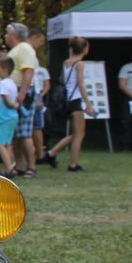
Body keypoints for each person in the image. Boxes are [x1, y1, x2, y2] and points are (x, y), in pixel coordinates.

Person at [46, 36, 96, 171]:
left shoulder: (66, 62)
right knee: (79, 135)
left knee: (75, 133)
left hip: (66, 100)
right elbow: (81, 84)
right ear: (84, 49)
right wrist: (88, 104)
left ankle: (51, 153)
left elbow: (62, 79)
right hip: (75, 100)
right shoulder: (79, 64)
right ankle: (73, 164)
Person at [4, 22, 39, 176]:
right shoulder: (16, 50)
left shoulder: (24, 48)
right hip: (16, 92)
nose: (5, 36)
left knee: (24, 133)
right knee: (17, 134)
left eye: (8, 33)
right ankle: (20, 166)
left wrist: (22, 93)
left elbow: (28, 71)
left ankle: (31, 167)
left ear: (15, 35)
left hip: (22, 93)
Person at [0, 57, 19, 177]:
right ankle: (10, 166)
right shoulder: (12, 83)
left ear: (5, 69)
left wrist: (13, 105)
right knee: (8, 144)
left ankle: (9, 169)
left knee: (0, 144)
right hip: (12, 117)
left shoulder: (2, 84)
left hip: (3, 118)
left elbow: (7, 101)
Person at [30, 28, 51, 163]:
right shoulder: (30, 54)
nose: (41, 44)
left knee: (36, 126)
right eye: (41, 40)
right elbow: (32, 77)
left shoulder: (31, 54)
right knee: (37, 126)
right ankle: (39, 154)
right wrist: (38, 97)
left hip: (35, 92)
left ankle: (38, 153)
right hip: (34, 92)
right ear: (35, 37)